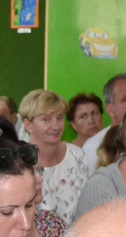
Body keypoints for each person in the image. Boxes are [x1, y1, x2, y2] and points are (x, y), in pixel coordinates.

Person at [19, 89, 87, 227]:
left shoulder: (77, 156)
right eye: (46, 119)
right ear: (28, 125)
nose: (56, 126)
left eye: (59, 118)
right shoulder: (19, 163)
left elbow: (86, 206)